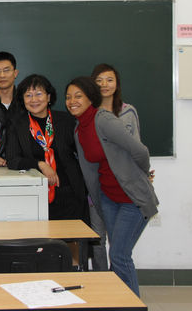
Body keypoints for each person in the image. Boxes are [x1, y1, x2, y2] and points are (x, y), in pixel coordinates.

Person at [65, 76, 158, 296]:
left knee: (119, 256)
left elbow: (140, 151)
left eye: (78, 96)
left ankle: (133, 304)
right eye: (68, 97)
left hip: (131, 199)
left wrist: (141, 176)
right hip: (108, 198)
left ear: (91, 98)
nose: (72, 101)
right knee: (117, 254)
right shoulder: (79, 128)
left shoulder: (103, 120)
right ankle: (118, 299)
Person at [88, 63, 155, 271]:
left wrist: (143, 172)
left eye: (109, 80)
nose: (104, 85)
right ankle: (104, 281)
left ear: (117, 84)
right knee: (99, 241)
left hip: (127, 188)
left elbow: (138, 147)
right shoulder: (89, 115)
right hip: (101, 188)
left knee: (119, 251)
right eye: (99, 81)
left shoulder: (128, 112)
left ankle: (118, 283)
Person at [6, 74, 88, 222]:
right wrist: (40, 165)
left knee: (73, 236)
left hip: (69, 193)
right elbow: (12, 160)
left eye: (39, 94)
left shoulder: (66, 121)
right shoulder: (17, 125)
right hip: (35, 196)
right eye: (28, 95)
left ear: (48, 97)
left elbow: (83, 154)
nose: (34, 99)